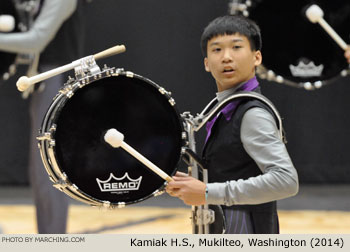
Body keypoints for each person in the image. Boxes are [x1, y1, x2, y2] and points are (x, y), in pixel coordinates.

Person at [166, 15, 299, 234]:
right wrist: (194, 185)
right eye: (217, 50)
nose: (226, 57)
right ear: (207, 63)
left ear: (257, 58)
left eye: (236, 47)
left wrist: (208, 192)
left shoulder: (252, 113)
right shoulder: (225, 105)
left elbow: (286, 181)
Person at [0, 0, 86, 233]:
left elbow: (36, 39)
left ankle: (53, 238)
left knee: (48, 167)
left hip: (57, 78)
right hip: (42, 77)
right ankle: (47, 235)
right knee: (40, 169)